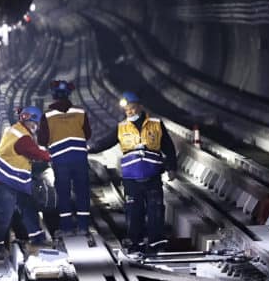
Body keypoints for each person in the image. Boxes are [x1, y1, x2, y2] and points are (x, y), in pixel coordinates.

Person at [90, 92, 177, 254]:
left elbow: (168, 147)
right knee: (133, 211)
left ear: (140, 107)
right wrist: (89, 149)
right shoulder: (121, 127)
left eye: (132, 108)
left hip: (152, 175)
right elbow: (105, 143)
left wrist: (172, 167)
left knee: (155, 210)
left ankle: (155, 243)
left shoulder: (156, 124)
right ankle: (135, 243)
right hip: (131, 177)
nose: (130, 112)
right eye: (127, 110)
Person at [0, 106, 52, 259]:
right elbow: (33, 151)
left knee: (28, 207)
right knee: (3, 213)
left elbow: (31, 148)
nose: (35, 128)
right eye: (34, 124)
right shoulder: (22, 137)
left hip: (16, 179)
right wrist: (50, 156)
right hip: (5, 180)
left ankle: (37, 237)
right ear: (30, 122)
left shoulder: (17, 130)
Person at [39, 79, 92, 235]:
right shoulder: (80, 112)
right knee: (82, 191)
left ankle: (67, 227)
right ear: (69, 95)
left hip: (61, 160)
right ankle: (83, 226)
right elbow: (87, 134)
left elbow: (42, 140)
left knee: (63, 193)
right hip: (80, 158)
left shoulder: (47, 116)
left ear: (54, 96)